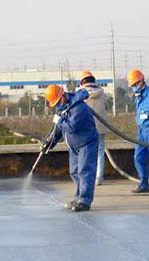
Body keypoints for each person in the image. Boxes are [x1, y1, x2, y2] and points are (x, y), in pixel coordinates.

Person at [43, 84, 98, 212]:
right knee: (74, 172)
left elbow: (72, 127)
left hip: (86, 143)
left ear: (63, 95)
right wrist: (50, 143)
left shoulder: (79, 108)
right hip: (73, 145)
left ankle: (85, 201)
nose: (57, 105)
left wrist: (59, 121)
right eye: (55, 103)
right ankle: (78, 197)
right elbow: (58, 130)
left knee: (85, 171)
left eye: (58, 102)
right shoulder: (62, 109)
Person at [79, 70, 109, 186]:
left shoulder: (80, 93)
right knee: (100, 152)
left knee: (86, 153)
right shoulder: (102, 93)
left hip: (87, 128)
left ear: (82, 82)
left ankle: (87, 178)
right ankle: (98, 178)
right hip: (101, 127)